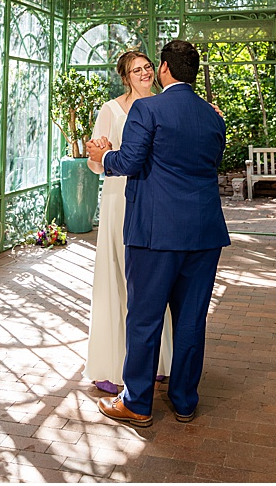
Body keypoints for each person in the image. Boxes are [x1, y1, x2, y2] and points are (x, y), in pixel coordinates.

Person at [86, 39, 230, 427]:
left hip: (154, 234)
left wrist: (102, 157)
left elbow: (130, 161)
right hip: (204, 234)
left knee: (145, 318)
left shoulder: (147, 109)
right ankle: (184, 401)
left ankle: (137, 403)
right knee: (190, 320)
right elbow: (209, 163)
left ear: (164, 69)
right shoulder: (214, 116)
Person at [84, 50, 173, 396]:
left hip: (153, 201)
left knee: (152, 282)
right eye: (136, 70)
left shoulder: (164, 105)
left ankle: (158, 361)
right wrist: (100, 150)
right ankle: (113, 363)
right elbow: (95, 164)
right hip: (118, 200)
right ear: (125, 76)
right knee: (118, 279)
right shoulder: (111, 110)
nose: (144, 73)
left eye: (148, 67)